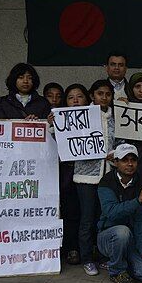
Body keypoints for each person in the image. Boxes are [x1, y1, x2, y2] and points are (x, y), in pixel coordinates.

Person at [96, 144, 142, 283]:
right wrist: (137, 201)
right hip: (108, 236)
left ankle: (123, 261)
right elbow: (111, 212)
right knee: (122, 231)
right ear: (116, 162)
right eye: (124, 160)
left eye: (133, 160)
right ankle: (117, 271)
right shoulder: (106, 182)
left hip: (132, 241)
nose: (129, 164)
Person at [72, 79, 116, 276]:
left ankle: (102, 256)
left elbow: (121, 141)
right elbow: (66, 138)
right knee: (87, 219)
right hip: (86, 177)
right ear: (92, 95)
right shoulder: (79, 115)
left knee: (104, 218)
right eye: (100, 93)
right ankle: (87, 259)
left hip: (109, 175)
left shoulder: (116, 117)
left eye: (107, 94)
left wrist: (116, 155)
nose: (104, 97)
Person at [58, 83, 91, 265]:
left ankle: (89, 248)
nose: (76, 101)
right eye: (71, 97)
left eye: (79, 96)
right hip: (68, 176)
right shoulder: (59, 119)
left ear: (87, 99)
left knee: (89, 214)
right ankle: (72, 248)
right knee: (71, 213)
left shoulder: (96, 118)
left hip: (91, 175)